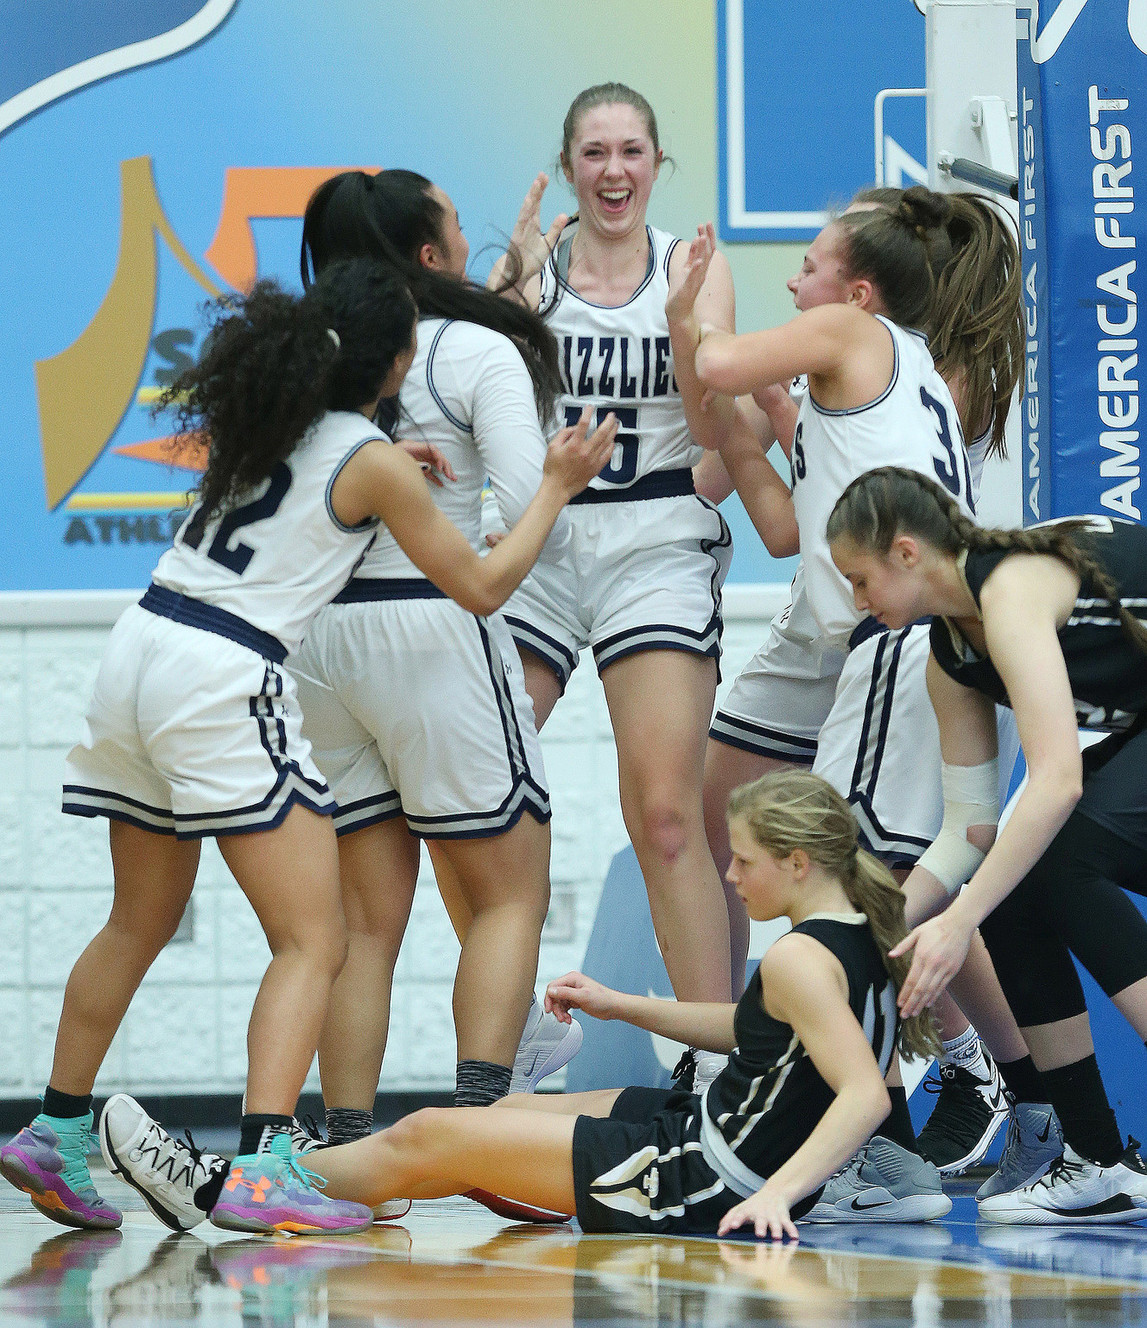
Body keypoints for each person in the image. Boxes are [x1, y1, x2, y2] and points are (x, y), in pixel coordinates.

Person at [0, 258, 617, 1236]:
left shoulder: (271, 423)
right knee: (315, 937)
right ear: (399, 358)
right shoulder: (368, 457)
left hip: (139, 651)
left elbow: (321, 490)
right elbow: (486, 583)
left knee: (138, 916)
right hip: (219, 676)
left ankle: (56, 1129)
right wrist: (554, 483)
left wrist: (384, 457)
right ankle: (264, 1162)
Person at [98, 770, 945, 1239]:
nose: (731, 876)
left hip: (702, 1180)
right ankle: (344, 1187)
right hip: (703, 1133)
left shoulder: (799, 955)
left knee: (436, 1134)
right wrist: (623, 1005)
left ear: (798, 862)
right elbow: (758, 1033)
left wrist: (775, 1195)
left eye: (746, 862)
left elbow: (863, 1096)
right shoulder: (859, 933)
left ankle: (213, 1186)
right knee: (488, 1117)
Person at [679, 185, 1040, 1207]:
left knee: (848, 885)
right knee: (751, 833)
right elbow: (772, 507)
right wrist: (751, 426)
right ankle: (921, 1086)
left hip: (893, 637)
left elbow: (713, 365)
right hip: (841, 631)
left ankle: (942, 1089)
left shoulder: (848, 331)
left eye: (808, 260)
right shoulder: (902, 366)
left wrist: (702, 290)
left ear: (858, 289)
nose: (795, 277)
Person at [290, 168, 587, 1140]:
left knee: (365, 926)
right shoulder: (475, 349)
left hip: (321, 642)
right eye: (457, 222)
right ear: (427, 253)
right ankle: (484, 1133)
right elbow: (519, 495)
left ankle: (341, 1144)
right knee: (509, 897)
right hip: (433, 617)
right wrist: (562, 481)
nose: (469, 233)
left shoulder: (308, 349)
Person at [484, 85, 738, 1083]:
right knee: (478, 786)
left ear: (655, 160)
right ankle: (514, 1027)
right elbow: (473, 393)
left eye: (631, 149)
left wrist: (680, 325)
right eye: (593, 152)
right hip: (542, 544)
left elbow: (719, 435)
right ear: (570, 163)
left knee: (666, 812)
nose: (613, 169)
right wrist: (509, 288)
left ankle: (720, 1066)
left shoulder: (692, 272)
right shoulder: (530, 274)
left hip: (653, 544)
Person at [827, 464, 1147, 1223]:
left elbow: (1057, 781)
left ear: (906, 553)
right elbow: (969, 831)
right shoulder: (948, 657)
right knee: (1011, 890)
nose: (856, 601)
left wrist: (957, 919)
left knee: (1058, 860)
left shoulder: (1010, 592)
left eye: (859, 578)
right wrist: (887, 924)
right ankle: (1097, 1158)